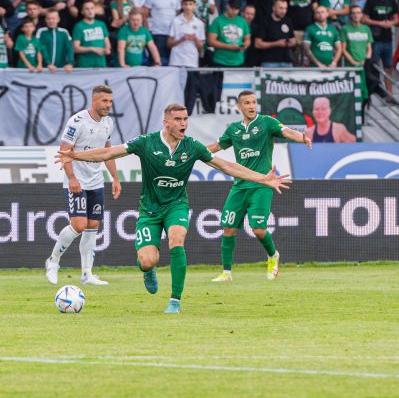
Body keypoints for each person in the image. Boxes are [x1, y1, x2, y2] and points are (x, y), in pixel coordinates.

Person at [57, 103, 291, 314]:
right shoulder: (146, 142)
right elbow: (108, 152)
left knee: (177, 239)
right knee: (148, 260)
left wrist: (263, 178)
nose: (183, 124)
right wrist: (75, 155)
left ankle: (175, 300)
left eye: (185, 119)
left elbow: (227, 166)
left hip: (176, 206)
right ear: (166, 122)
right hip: (149, 210)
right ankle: (148, 270)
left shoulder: (192, 146)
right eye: (178, 120)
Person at [207, 89, 311, 283]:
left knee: (258, 230)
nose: (251, 106)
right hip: (239, 185)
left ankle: (273, 256)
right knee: (228, 228)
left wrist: (301, 138)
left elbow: (286, 131)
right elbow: (216, 147)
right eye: (247, 103)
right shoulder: (234, 129)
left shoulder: (266, 122)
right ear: (239, 106)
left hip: (262, 184)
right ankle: (227, 273)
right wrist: (193, 152)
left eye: (254, 102)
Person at [45, 85, 122, 287]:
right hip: (77, 180)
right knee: (79, 225)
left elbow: (108, 152)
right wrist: (71, 178)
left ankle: (87, 274)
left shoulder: (108, 123)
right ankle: (53, 261)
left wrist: (115, 177)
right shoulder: (77, 121)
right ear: (94, 100)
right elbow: (64, 151)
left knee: (93, 226)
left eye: (111, 101)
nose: (108, 105)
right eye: (105, 101)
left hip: (96, 181)